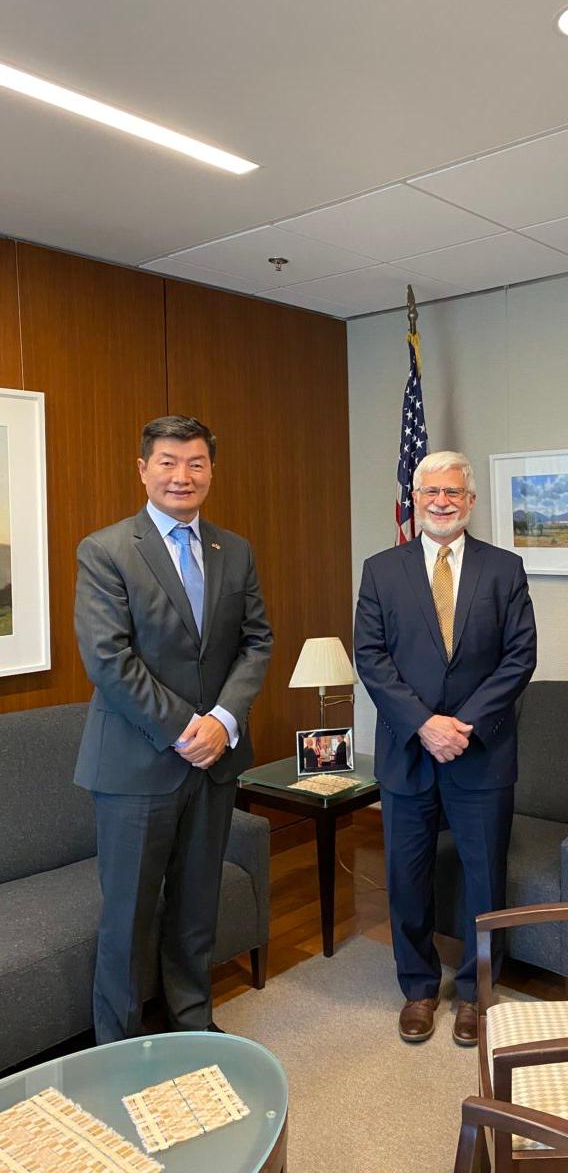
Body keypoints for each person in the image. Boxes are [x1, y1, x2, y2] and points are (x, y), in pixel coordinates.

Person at [74, 415, 273, 1043]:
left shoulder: (233, 549)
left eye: (195, 463)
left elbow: (256, 643)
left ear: (211, 471)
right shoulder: (106, 550)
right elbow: (109, 661)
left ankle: (191, 1025)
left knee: (194, 910)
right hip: (136, 767)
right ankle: (119, 1046)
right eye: (167, 461)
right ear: (143, 469)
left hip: (213, 765)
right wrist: (189, 727)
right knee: (128, 919)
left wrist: (222, 721)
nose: (181, 475)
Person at [355, 451, 537, 1046]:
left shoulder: (504, 569)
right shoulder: (382, 569)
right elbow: (372, 658)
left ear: (471, 500)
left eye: (453, 492)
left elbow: (519, 658)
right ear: (415, 498)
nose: (441, 501)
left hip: (480, 751)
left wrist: (461, 724)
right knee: (407, 878)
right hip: (408, 750)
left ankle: (477, 995)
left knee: (484, 879)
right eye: (430, 491)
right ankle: (418, 987)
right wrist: (423, 724)